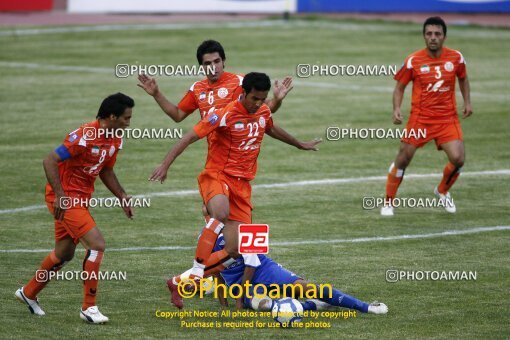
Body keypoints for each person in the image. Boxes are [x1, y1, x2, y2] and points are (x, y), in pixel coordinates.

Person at [149, 72, 321, 308]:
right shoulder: (224, 114)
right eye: (254, 98)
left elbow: (272, 128)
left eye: (262, 99)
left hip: (243, 186)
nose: (258, 103)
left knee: (235, 250)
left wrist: (299, 144)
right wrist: (165, 164)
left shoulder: (262, 112)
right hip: (217, 176)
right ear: (243, 93)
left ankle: (179, 281)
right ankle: (198, 270)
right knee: (219, 213)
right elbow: (189, 137)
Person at [138, 40, 293, 285]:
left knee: (233, 243)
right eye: (207, 63)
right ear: (201, 66)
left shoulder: (240, 83)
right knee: (220, 214)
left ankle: (199, 274)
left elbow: (263, 109)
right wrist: (157, 94)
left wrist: (278, 100)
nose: (213, 67)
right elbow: (178, 115)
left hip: (239, 163)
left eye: (217, 61)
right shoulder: (198, 89)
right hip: (218, 162)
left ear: (224, 61)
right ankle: (201, 270)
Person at [15, 93, 135, 324]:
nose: (129, 123)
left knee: (64, 253)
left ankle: (28, 293)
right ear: (111, 116)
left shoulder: (115, 138)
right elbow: (50, 160)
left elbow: (106, 170)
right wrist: (60, 195)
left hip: (82, 199)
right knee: (97, 244)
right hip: (66, 199)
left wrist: (121, 196)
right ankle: (89, 308)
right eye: (126, 118)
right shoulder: (84, 136)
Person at [381, 16, 473, 216]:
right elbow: (399, 88)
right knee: (403, 158)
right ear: (424, 36)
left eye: (437, 34)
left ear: (444, 37)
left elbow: (463, 79)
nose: (433, 38)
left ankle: (442, 191)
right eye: (429, 34)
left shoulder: (456, 58)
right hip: (420, 119)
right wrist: (396, 108)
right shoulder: (414, 60)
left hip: (447, 119)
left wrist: (467, 102)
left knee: (458, 159)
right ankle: (388, 201)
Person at [210, 234, 388, 315]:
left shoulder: (242, 224)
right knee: (262, 305)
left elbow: (252, 263)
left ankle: (366, 307)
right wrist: (225, 307)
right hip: (238, 284)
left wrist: (240, 299)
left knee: (306, 288)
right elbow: (216, 274)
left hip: (262, 268)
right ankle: (311, 306)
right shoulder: (207, 239)